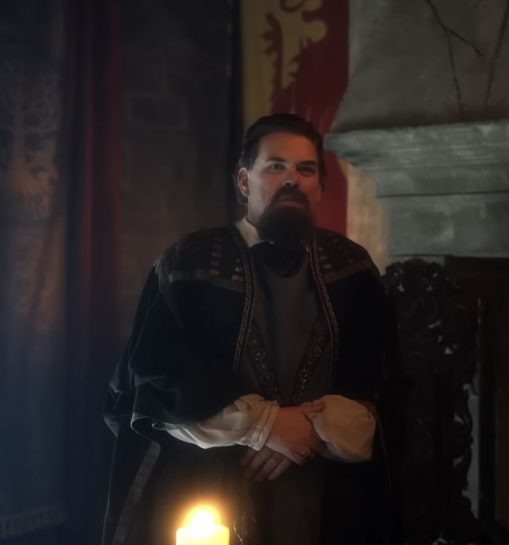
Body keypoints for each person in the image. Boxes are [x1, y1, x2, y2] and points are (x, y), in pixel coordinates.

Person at [102, 113, 397, 545]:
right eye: (275, 166)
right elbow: (153, 382)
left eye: (306, 169)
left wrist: (309, 431)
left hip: (327, 493)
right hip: (211, 488)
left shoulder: (352, 268)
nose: (292, 180)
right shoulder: (188, 264)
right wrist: (267, 426)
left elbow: (380, 382)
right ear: (244, 181)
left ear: (320, 187)